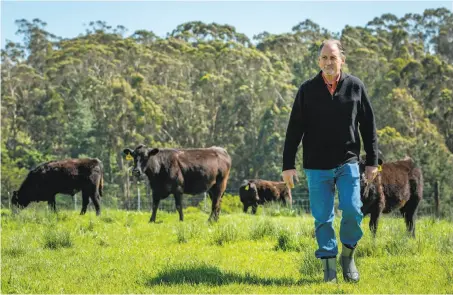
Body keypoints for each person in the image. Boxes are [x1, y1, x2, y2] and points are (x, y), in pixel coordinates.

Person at [281, 39, 378, 283]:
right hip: (316, 166)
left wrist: (372, 161)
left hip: (348, 163)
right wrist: (287, 165)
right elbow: (294, 129)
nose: (328, 62)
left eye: (333, 57)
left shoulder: (355, 86)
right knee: (323, 218)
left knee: (353, 211)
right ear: (318, 61)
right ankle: (329, 271)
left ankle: (348, 255)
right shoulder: (307, 89)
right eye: (324, 58)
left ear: (342, 60)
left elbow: (368, 126)